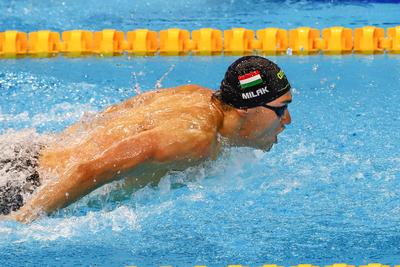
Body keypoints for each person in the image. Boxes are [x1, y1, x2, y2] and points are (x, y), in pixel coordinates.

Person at [0, 55, 292, 223]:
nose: (287, 120)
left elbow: (116, 112)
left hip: (28, 152)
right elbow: (90, 169)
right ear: (245, 109)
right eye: (281, 110)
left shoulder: (198, 95)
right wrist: (24, 219)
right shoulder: (194, 139)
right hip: (26, 185)